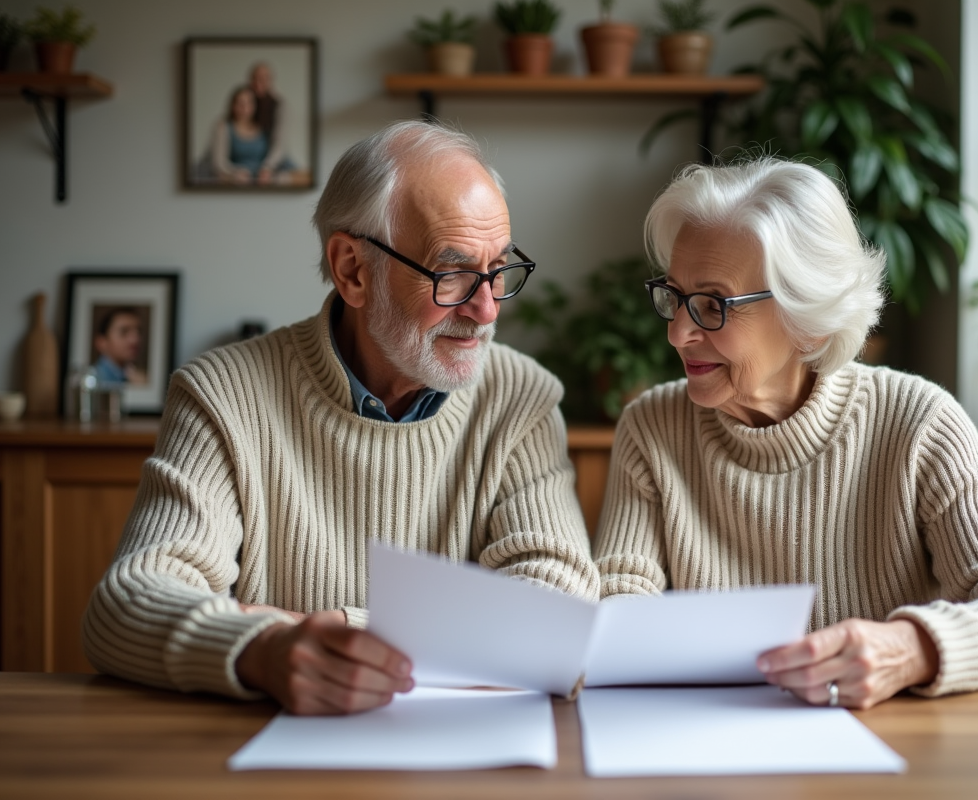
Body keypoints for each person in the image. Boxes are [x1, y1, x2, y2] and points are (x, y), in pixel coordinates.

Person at [83, 120, 599, 715]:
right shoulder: (224, 395)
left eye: (499, 268)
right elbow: (126, 605)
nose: (486, 308)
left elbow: (556, 606)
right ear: (353, 269)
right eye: (452, 272)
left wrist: (333, 629)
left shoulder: (520, 398)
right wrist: (262, 648)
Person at [593, 157, 978, 710]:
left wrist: (912, 647)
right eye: (675, 297)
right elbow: (618, 605)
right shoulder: (653, 427)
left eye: (712, 305)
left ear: (810, 319)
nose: (678, 333)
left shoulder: (918, 424)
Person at [207, 85, 269, 185]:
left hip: (261, 180)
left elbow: (272, 156)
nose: (244, 108)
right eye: (240, 103)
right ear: (233, 105)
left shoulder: (262, 129)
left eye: (249, 103)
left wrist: (267, 169)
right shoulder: (223, 127)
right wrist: (235, 172)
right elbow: (218, 163)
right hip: (235, 180)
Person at [92, 307, 147, 385]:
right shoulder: (96, 380)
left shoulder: (131, 375)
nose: (135, 340)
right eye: (124, 332)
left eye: (139, 332)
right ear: (101, 342)